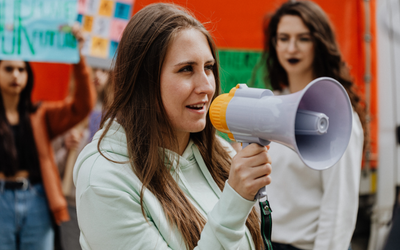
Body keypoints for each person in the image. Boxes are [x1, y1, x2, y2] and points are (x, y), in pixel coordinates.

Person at [73, 3, 272, 250]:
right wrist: (235, 201)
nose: (206, 86)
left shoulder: (222, 154)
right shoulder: (103, 180)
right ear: (144, 81)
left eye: (208, 68)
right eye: (186, 69)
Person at [262, 1, 366, 250]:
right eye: (283, 38)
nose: (291, 48)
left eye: (303, 38)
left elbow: (339, 209)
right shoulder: (268, 106)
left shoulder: (336, 116)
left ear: (319, 43)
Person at [0, 25, 96, 250]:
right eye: (9, 69)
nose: (16, 75)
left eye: (22, 70)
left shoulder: (39, 115)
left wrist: (77, 57)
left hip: (36, 200)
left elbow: (83, 106)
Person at [53, 66, 111, 250]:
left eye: (104, 70)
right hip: (71, 204)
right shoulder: (66, 113)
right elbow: (49, 166)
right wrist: (66, 148)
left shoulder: (115, 116)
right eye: (93, 69)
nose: (97, 75)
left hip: (102, 206)